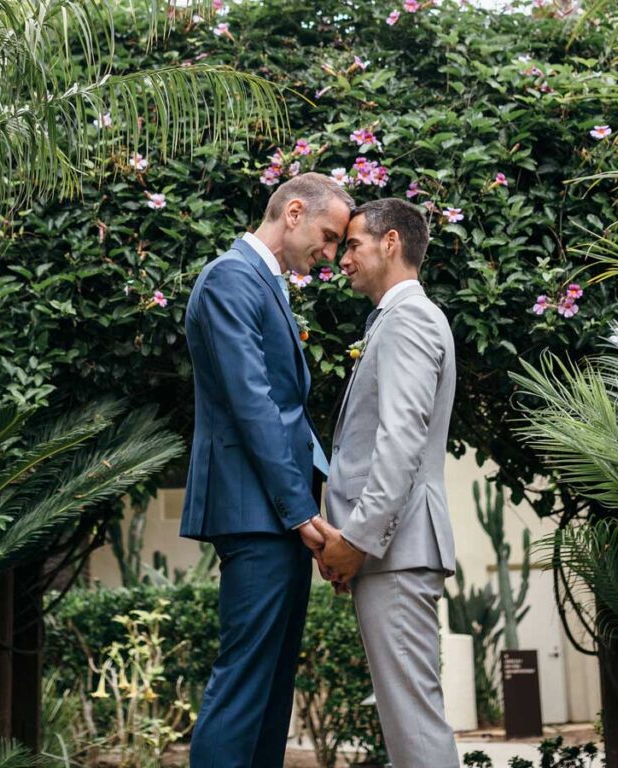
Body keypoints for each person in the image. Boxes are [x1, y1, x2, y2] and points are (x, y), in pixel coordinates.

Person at [179, 173, 353, 768]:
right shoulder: (231, 277)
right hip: (259, 513)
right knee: (246, 683)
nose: (329, 255)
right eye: (328, 238)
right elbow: (254, 404)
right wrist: (301, 510)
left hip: (274, 512)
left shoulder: (264, 283)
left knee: (272, 685)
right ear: (295, 211)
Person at [312, 197, 460, 768]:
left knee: (414, 725)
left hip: (396, 549)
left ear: (390, 243)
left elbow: (399, 443)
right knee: (406, 723)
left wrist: (357, 541)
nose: (341, 259)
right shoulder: (393, 322)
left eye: (352, 245)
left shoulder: (410, 319)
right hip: (391, 551)